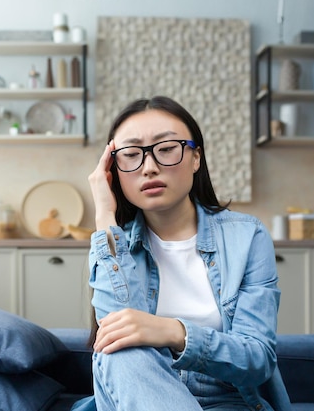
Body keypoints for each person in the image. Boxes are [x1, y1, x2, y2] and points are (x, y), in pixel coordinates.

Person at [73, 96, 291, 411]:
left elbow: (256, 359)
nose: (149, 167)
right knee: (122, 350)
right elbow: (116, 333)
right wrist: (105, 216)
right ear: (113, 169)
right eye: (131, 155)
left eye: (166, 149)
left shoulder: (246, 236)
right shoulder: (114, 245)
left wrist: (174, 332)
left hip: (226, 399)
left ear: (195, 158)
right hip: (135, 390)